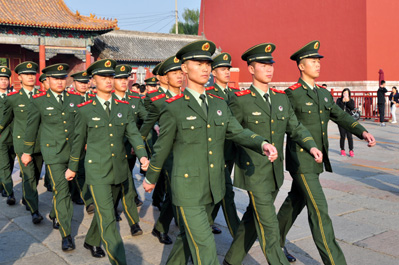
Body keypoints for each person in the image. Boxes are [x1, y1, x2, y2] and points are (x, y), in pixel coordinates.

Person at [143, 40, 278, 265]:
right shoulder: (174, 107)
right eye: (198, 63)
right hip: (187, 189)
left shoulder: (218, 104)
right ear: (184, 68)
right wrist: (151, 176)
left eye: (207, 63)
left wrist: (261, 143)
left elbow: (237, 131)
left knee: (188, 238)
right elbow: (162, 146)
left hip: (212, 186)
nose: (205, 68)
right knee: (205, 247)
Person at [276, 40, 376, 265]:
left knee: (295, 200)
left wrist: (363, 132)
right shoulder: (292, 94)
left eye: (319, 61)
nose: (318, 64)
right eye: (313, 61)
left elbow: (341, 116)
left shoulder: (323, 94)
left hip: (317, 159)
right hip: (301, 159)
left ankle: (274, 241)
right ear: (301, 66)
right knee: (319, 210)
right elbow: (289, 125)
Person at [223, 43, 323, 265]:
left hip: (275, 173)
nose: (269, 69)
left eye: (271, 64)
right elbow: (233, 132)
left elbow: (295, 127)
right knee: (269, 227)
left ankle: (230, 261)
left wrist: (311, 145)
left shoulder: (280, 98)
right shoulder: (240, 99)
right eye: (262, 64)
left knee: (252, 217)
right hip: (253, 172)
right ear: (251, 68)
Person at [65, 59, 149, 265]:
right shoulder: (85, 109)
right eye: (103, 77)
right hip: (97, 171)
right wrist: (72, 167)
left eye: (111, 76)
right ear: (93, 80)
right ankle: (119, 260)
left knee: (106, 210)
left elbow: (134, 134)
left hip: (119, 169)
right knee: (109, 219)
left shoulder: (124, 107)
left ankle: (91, 240)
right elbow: (78, 142)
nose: (109, 81)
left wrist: (143, 155)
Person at [21, 63, 88, 252]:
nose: (60, 81)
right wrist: (27, 151)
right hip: (54, 153)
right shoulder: (39, 101)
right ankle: (66, 234)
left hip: (74, 152)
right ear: (47, 80)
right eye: (55, 78)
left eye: (62, 78)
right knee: (62, 190)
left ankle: (55, 212)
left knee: (68, 187)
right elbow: (31, 127)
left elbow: (82, 125)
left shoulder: (76, 99)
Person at [140, 55, 183, 245]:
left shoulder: (188, 97)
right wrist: (139, 149)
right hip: (168, 154)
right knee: (174, 192)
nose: (180, 76)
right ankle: (161, 227)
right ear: (164, 77)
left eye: (181, 72)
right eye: (174, 73)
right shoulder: (159, 100)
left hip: (188, 153)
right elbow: (146, 125)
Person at [0, 61, 44, 224]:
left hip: (40, 143)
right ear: (19, 77)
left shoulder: (43, 96)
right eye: (26, 74)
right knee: (28, 176)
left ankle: (27, 197)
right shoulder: (13, 99)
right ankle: (35, 211)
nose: (30, 77)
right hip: (22, 143)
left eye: (33, 74)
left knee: (36, 174)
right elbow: (5, 120)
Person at [206, 52, 241, 236]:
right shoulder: (209, 94)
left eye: (228, 68)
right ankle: (237, 232)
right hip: (217, 151)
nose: (227, 72)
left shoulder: (236, 93)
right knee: (226, 191)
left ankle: (208, 221)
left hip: (232, 149)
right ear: (214, 72)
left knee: (221, 188)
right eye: (222, 69)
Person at [112, 64, 145, 235]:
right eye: (119, 78)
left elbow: (144, 117)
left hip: (130, 149)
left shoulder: (134, 99)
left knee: (127, 182)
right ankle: (129, 220)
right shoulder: (105, 100)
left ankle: (133, 222)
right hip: (113, 151)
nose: (124, 81)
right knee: (122, 184)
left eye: (126, 78)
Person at [0, 66, 16, 205]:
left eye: (5, 79)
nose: (4, 82)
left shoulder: (14, 96)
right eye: (1, 79)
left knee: (10, 162)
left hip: (13, 136)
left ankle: (3, 182)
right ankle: (8, 190)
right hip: (1, 136)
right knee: (4, 164)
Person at [336, 88, 356, 157]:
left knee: (349, 136)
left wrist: (347, 101)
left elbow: (352, 107)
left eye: (346, 93)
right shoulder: (339, 100)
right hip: (341, 120)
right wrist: (342, 101)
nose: (345, 95)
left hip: (349, 120)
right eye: (344, 93)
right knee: (342, 135)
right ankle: (342, 149)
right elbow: (337, 108)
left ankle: (351, 150)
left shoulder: (351, 100)